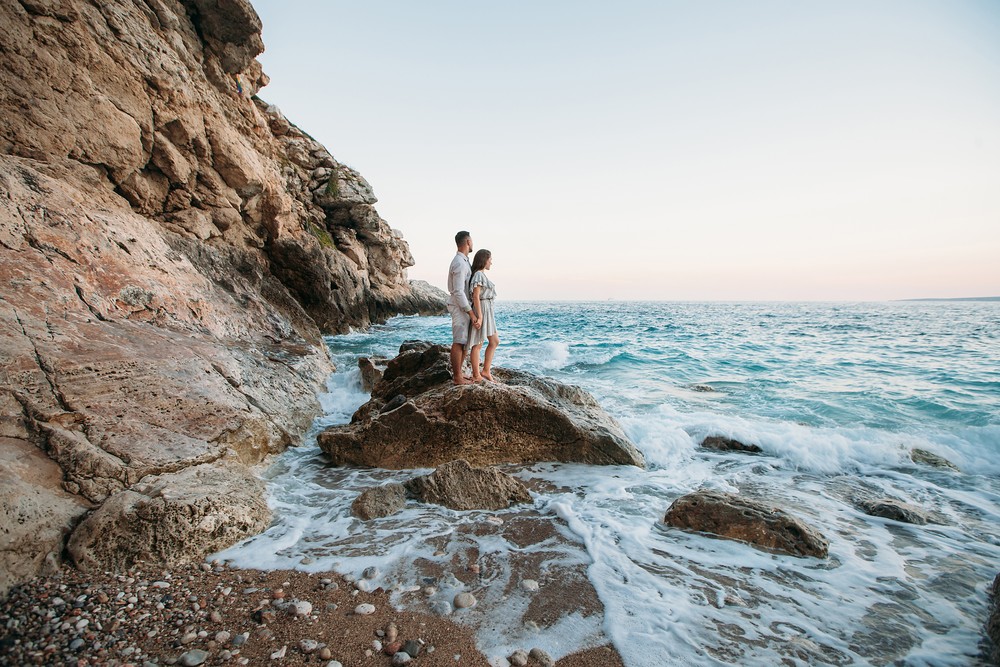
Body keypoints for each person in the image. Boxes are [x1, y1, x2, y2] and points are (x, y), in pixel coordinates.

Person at [447, 231, 480, 385]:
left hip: (463, 306)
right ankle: (457, 377)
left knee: (464, 341)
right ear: (467, 241)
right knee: (458, 341)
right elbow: (458, 291)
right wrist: (471, 313)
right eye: (472, 240)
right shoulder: (459, 263)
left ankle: (459, 373)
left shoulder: (464, 261)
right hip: (459, 307)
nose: (472, 243)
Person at [466, 249, 499, 382]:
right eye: (490, 259)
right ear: (484, 260)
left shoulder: (481, 275)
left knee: (494, 341)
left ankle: (485, 370)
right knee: (478, 344)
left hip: (487, 310)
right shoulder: (479, 275)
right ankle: (476, 375)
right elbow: (475, 296)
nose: (491, 261)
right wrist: (479, 316)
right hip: (482, 310)